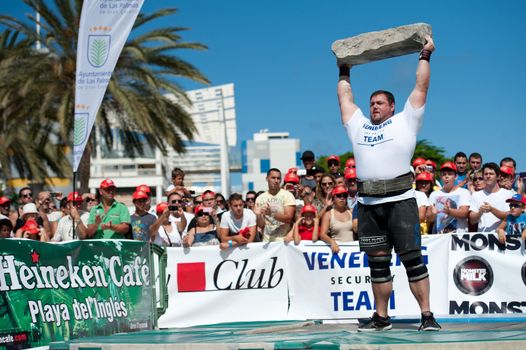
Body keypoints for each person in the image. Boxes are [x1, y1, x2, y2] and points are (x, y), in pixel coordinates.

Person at [337, 35, 440, 331]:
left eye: (380, 103)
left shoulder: (406, 121)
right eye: (371, 103)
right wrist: (344, 70)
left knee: (412, 260)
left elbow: (421, 86)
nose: (374, 107)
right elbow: (345, 99)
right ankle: (381, 318)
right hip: (369, 205)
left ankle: (427, 316)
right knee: (378, 265)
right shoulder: (359, 126)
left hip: (400, 201)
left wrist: (425, 55)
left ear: (392, 106)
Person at [426, 162, 471, 233]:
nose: (446, 176)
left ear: (455, 177)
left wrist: (449, 211)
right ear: (441, 177)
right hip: (439, 238)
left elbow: (465, 213)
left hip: (459, 238)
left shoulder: (464, 192)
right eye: (444, 174)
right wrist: (433, 214)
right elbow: (429, 219)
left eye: (449, 174)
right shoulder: (434, 194)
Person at [255, 168, 296, 242]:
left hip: (284, 241)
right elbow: (261, 225)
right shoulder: (260, 198)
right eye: (273, 178)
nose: (276, 181)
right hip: (267, 241)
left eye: (278, 178)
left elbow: (289, 219)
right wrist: (258, 215)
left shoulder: (288, 195)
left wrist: (271, 214)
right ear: (267, 179)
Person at [469, 163, 512, 232]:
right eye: (486, 174)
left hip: (501, 237)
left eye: (491, 174)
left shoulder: (508, 194)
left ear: (498, 177)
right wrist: (480, 212)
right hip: (482, 238)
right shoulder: (476, 195)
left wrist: (492, 210)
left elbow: (509, 217)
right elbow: (472, 221)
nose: (488, 176)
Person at [318, 186, 355, 253]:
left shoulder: (351, 212)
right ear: (333, 198)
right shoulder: (328, 215)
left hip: (352, 251)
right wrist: (332, 241)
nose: (342, 198)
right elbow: (322, 235)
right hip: (337, 250)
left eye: (344, 195)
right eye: (339, 195)